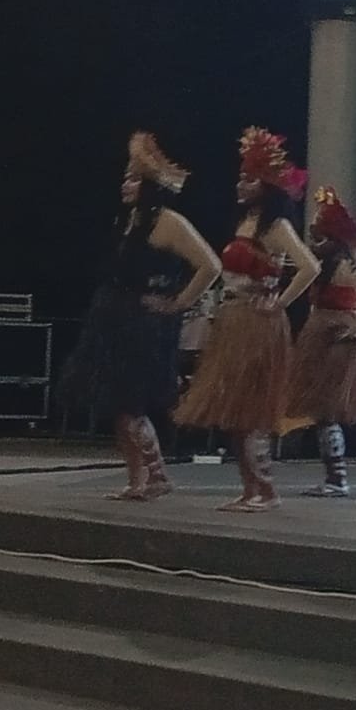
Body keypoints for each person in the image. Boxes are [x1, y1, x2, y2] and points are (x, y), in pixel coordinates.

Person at [58, 132, 221, 501]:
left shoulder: (169, 222)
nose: (125, 184)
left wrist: (178, 303)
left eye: (133, 179)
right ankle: (136, 481)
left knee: (130, 402)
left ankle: (158, 475)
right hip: (113, 318)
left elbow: (210, 266)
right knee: (118, 405)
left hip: (142, 324)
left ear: (150, 186)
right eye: (125, 177)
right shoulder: (128, 220)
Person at [175, 127, 320, 512]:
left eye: (249, 179)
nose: (241, 184)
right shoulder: (246, 222)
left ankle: (266, 491)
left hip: (257, 324)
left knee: (251, 410)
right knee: (235, 412)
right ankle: (250, 488)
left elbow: (310, 267)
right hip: (233, 318)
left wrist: (279, 302)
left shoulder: (277, 227)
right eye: (241, 177)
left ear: (267, 186)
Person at [284, 186, 356, 497]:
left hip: (335, 339)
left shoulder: (343, 267)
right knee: (321, 412)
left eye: (320, 237)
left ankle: (337, 478)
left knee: (326, 411)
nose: (313, 242)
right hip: (321, 334)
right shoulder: (325, 268)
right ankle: (334, 477)